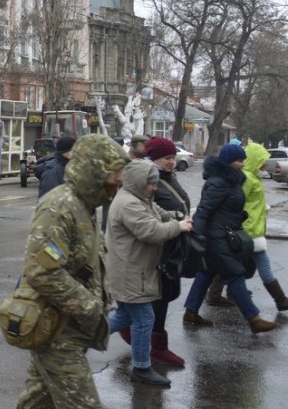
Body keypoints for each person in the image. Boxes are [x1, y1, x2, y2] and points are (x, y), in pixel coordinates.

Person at [0, 134, 173, 409]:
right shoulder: (61, 206)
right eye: (114, 173)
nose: (119, 180)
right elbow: (42, 272)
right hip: (57, 335)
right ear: (95, 171)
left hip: (65, 330)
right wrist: (92, 309)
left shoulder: (86, 207)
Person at [105, 160, 192, 388]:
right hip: (131, 272)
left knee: (124, 316)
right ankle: (142, 367)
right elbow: (150, 231)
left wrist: (175, 216)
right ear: (138, 182)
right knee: (145, 319)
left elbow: (158, 213)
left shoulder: (141, 199)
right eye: (151, 184)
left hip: (135, 270)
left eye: (155, 183)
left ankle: (80, 338)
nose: (155, 188)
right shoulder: (128, 204)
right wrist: (178, 227)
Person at [182, 145, 278, 333]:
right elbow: (204, 210)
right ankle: (254, 319)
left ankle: (190, 313)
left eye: (243, 160)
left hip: (224, 234)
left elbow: (225, 208)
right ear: (227, 162)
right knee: (235, 275)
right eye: (239, 160)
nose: (242, 164)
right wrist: (197, 237)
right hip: (216, 237)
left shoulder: (231, 180)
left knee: (206, 273)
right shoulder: (219, 182)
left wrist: (239, 216)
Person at [144, 136, 192, 367]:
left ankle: (147, 339)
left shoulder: (168, 178)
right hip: (158, 247)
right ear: (154, 159)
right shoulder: (149, 181)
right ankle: (157, 347)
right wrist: (177, 220)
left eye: (173, 157)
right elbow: (149, 214)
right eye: (166, 158)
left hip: (173, 243)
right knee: (160, 297)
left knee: (168, 293)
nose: (171, 162)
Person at [240, 142, 288, 311]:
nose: (267, 163)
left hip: (254, 227)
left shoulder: (253, 176)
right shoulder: (246, 178)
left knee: (234, 265)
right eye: (263, 159)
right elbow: (238, 202)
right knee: (263, 264)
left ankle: (219, 293)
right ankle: (281, 300)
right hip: (249, 229)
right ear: (255, 159)